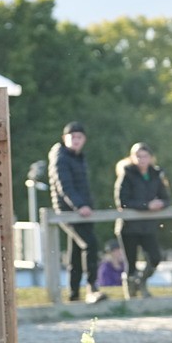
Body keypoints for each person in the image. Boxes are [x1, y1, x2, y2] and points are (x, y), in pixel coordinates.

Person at [49, 122, 106, 303]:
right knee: (90, 244)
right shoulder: (61, 157)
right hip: (69, 211)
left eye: (79, 137)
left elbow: (82, 186)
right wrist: (80, 205)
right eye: (72, 137)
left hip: (81, 211)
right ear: (64, 138)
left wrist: (87, 204)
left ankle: (74, 294)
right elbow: (64, 186)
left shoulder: (78, 157)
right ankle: (92, 287)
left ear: (84, 139)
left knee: (76, 251)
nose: (76, 140)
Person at [115, 142, 170, 299]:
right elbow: (122, 201)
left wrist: (161, 203)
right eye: (138, 156)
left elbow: (166, 197)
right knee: (131, 263)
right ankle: (130, 298)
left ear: (151, 157)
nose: (142, 159)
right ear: (132, 158)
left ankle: (141, 282)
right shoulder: (127, 174)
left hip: (148, 226)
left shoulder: (156, 175)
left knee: (155, 257)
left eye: (145, 156)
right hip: (129, 227)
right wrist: (147, 205)